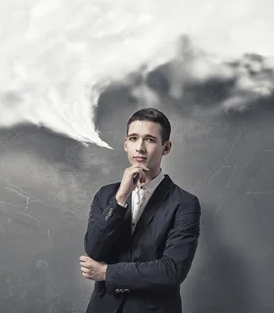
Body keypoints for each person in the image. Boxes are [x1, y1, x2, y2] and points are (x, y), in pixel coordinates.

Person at [80, 107, 201, 313]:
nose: (140, 148)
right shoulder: (107, 195)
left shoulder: (185, 203)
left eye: (150, 140)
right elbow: (94, 250)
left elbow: (172, 270)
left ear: (166, 147)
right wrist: (120, 198)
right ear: (125, 144)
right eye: (134, 138)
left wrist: (107, 273)